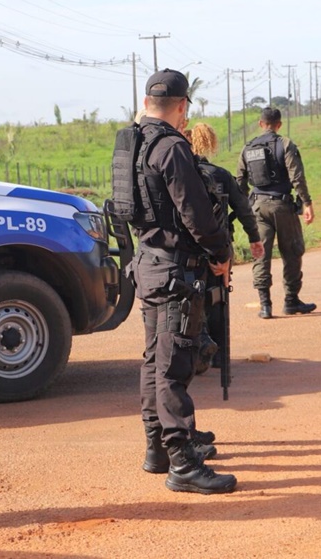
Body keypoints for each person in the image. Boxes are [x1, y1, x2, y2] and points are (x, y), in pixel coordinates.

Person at [121, 69, 238, 494]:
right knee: (173, 367)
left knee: (155, 361)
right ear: (183, 106)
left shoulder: (132, 142)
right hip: (174, 271)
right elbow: (197, 214)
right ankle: (183, 463)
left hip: (148, 262)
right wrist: (221, 254)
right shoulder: (171, 146)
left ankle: (157, 449)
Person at [184, 123, 265, 373]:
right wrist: (254, 238)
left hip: (188, 248)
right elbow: (243, 209)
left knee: (189, 298)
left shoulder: (183, 175)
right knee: (217, 299)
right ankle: (219, 355)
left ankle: (195, 353)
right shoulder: (220, 174)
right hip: (219, 247)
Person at [236, 107, 315, 319]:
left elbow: (240, 183)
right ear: (278, 124)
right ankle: (291, 301)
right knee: (292, 251)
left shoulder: (247, 147)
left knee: (261, 254)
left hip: (257, 207)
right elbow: (297, 177)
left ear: (261, 124)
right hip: (282, 206)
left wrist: (244, 210)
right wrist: (307, 203)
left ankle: (265, 305)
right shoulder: (286, 144)